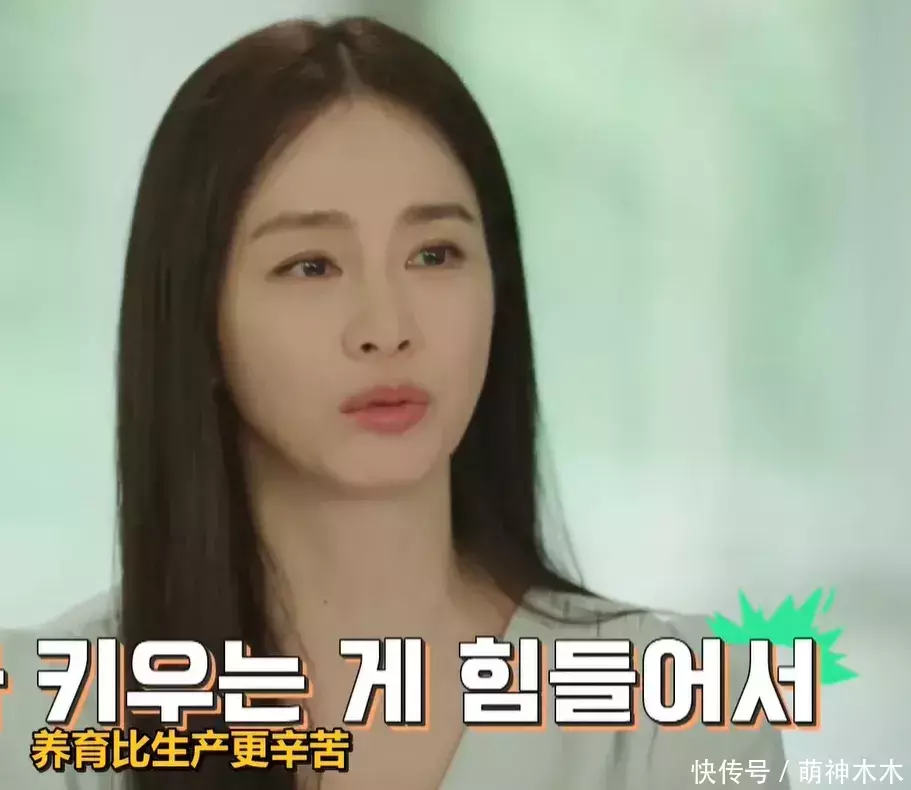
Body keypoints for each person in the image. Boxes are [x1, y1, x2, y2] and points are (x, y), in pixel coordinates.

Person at [0, 16, 790, 790]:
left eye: (434, 254)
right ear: (197, 320)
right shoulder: (41, 711)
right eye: (311, 266)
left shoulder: (678, 708)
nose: (387, 328)